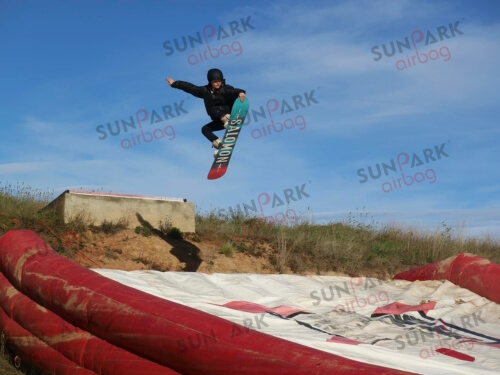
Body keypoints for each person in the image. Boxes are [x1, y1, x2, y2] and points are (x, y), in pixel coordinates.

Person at [166, 69, 246, 155]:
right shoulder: (204, 91)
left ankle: (227, 119)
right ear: (210, 81)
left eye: (219, 81)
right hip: (219, 120)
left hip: (229, 113)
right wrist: (175, 84)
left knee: (213, 108)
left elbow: (233, 91)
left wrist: (241, 93)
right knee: (205, 129)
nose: (218, 83)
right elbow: (190, 87)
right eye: (215, 82)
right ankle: (220, 145)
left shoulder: (225, 89)